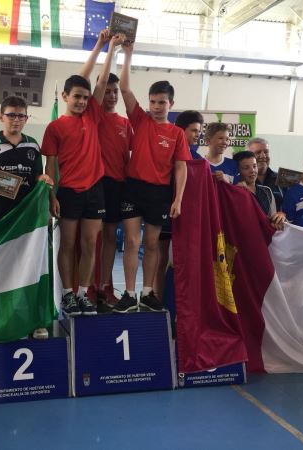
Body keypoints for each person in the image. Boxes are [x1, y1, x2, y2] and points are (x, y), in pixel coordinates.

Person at [42, 32, 123, 317]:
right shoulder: (55, 128)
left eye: (86, 98)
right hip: (67, 193)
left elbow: (100, 80)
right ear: (65, 96)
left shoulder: (92, 115)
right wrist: (51, 195)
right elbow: (50, 166)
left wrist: (109, 46)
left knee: (90, 243)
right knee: (68, 243)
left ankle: (83, 293)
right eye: (76, 96)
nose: (81, 101)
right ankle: (67, 294)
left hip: (95, 190)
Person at [0, 95, 53, 339]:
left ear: (26, 118)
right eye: (11, 115)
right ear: (0, 116)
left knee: (31, 270)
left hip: (28, 221)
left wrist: (42, 178)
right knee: (0, 271)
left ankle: (36, 321)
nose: (16, 120)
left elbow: (36, 175)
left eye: (21, 115)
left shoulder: (33, 146)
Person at [114, 40, 191, 313]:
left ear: (171, 103)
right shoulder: (140, 120)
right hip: (133, 188)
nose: (156, 106)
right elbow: (124, 88)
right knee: (132, 241)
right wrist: (128, 53)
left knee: (151, 244)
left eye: (162, 102)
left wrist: (178, 199)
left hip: (159, 193)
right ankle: (129, 294)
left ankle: (147, 292)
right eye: (153, 101)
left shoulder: (177, 134)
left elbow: (180, 167)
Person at [77, 30, 132, 311]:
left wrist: (127, 52)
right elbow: (95, 80)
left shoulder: (125, 123)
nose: (110, 95)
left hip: (118, 187)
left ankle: (106, 286)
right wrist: (108, 47)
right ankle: (87, 288)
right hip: (96, 184)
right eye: (107, 91)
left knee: (110, 238)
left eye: (114, 92)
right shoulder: (94, 117)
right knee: (92, 241)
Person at [155, 110, 204, 301]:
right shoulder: (164, 152)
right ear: (180, 131)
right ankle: (156, 301)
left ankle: (185, 303)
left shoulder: (199, 160)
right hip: (162, 212)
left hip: (187, 218)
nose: (197, 135)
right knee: (160, 260)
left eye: (198, 131)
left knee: (185, 263)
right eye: (193, 130)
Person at [233, 151, 285, 229]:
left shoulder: (267, 191)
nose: (252, 171)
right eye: (246, 168)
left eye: (254, 166)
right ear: (237, 170)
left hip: (265, 238)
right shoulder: (233, 193)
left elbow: (272, 219)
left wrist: (279, 218)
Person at [246, 137, 285, 210]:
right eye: (258, 152)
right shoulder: (241, 180)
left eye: (266, 152)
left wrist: (283, 214)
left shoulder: (280, 178)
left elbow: (289, 204)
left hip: (276, 221)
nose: (263, 156)